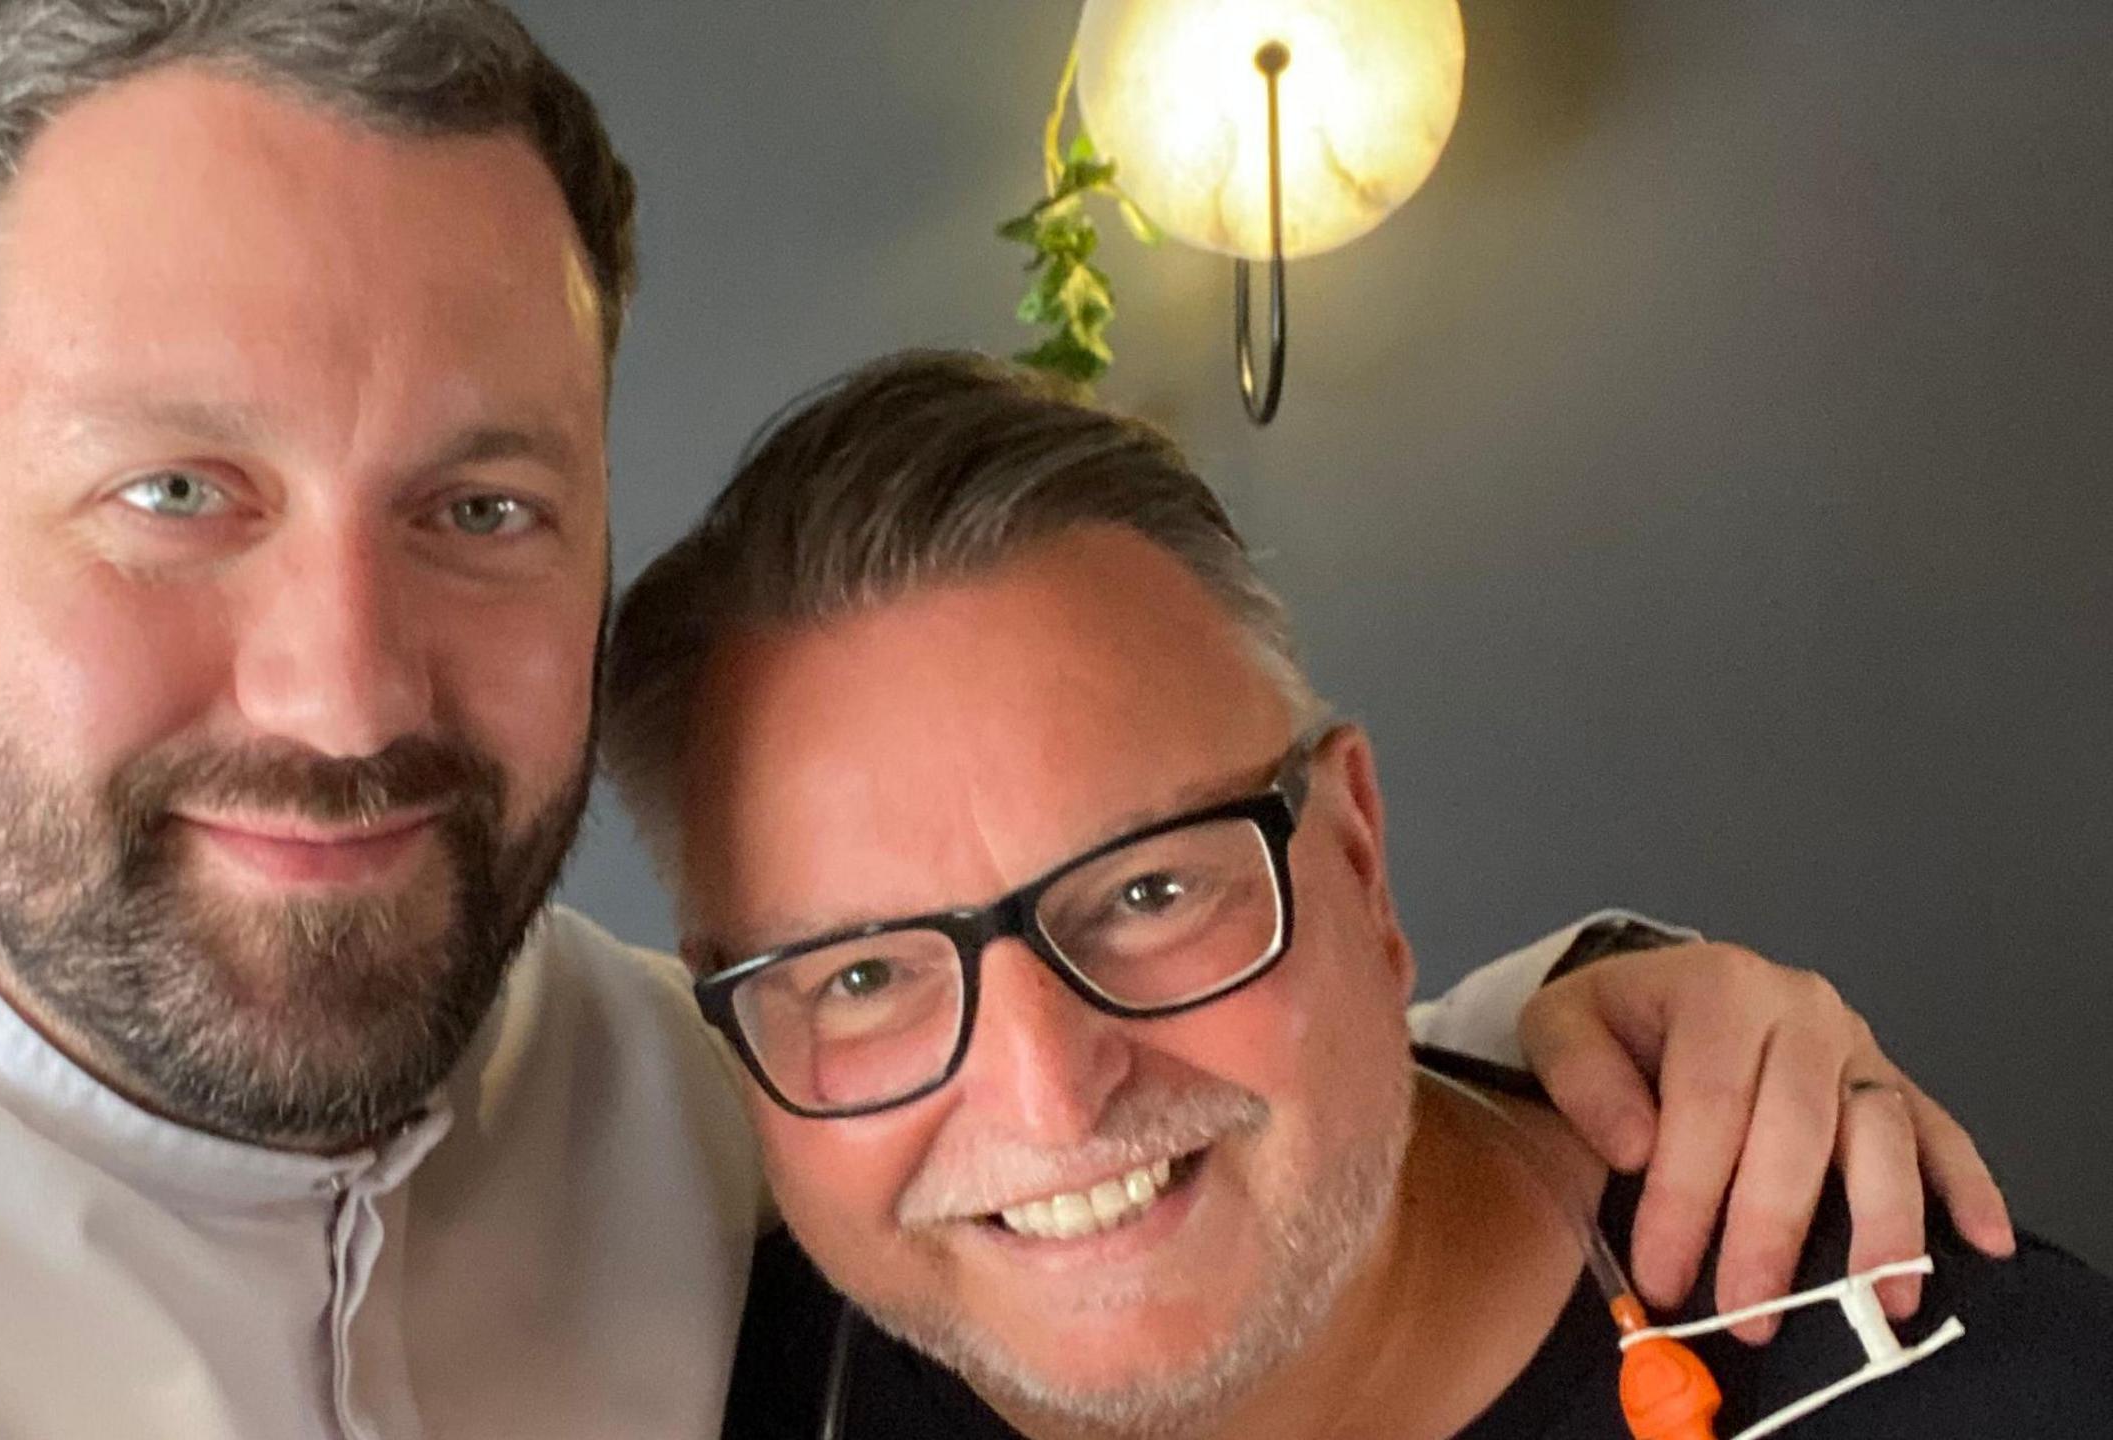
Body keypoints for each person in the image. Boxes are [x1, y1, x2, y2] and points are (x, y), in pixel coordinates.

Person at [0, 5, 2009, 1437]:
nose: (340, 689)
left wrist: (1599, 1030)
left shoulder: (708, 1075)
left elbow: (1086, 1117)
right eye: (175, 489)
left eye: (482, 508)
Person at [598, 349, 2113, 1440]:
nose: (1049, 1097)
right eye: (861, 976)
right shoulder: (708, 1380)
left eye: (1148, 888)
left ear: (1358, 857)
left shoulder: (1962, 1387)